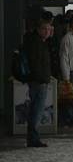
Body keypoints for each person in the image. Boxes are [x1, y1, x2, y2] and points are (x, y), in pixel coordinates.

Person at [24, 19, 52, 147]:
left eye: (49, 29)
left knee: (35, 109)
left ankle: (33, 137)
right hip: (38, 81)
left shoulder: (39, 42)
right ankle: (33, 138)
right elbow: (35, 63)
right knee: (37, 110)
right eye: (45, 29)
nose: (47, 32)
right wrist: (42, 78)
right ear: (39, 29)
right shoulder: (36, 43)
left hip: (38, 80)